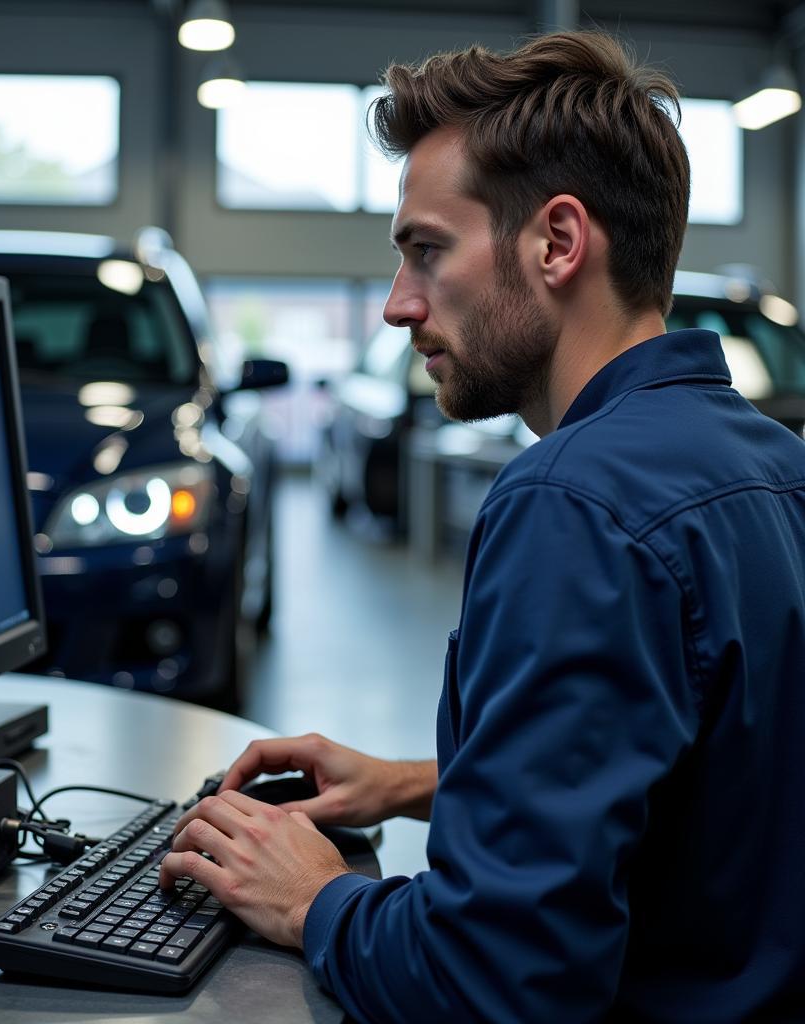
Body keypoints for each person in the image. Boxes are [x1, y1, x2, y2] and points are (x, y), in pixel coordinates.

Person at [160, 30, 805, 1022]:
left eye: (425, 251)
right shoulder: (772, 465)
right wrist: (427, 783)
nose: (395, 305)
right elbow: (717, 796)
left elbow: (497, 981)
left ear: (556, 242)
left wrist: (317, 899)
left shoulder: (572, 504)